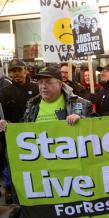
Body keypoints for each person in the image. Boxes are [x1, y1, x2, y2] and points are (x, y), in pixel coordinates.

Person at [0, 59, 39, 205]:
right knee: (13, 168)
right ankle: (14, 195)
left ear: (26, 70)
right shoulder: (4, 91)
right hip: (12, 139)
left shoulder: (37, 88)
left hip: (36, 137)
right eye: (13, 71)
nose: (16, 73)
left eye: (19, 70)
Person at [24, 66, 92, 123]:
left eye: (48, 82)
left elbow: (92, 127)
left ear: (60, 84)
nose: (43, 86)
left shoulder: (78, 104)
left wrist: (82, 120)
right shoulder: (32, 105)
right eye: (40, 82)